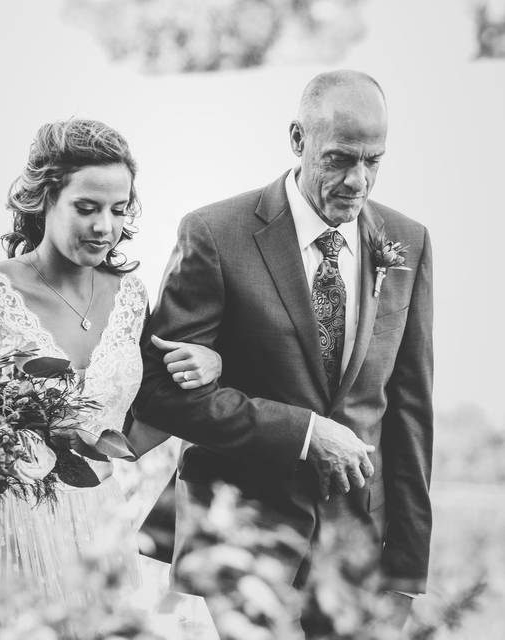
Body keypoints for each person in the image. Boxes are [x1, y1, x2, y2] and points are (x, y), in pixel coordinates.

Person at [134, 69, 434, 636]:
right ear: (298, 139)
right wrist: (302, 432)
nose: (358, 180)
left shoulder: (408, 241)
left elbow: (412, 411)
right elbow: (161, 395)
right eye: (340, 158)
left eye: (374, 160)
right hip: (238, 535)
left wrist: (407, 567)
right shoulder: (214, 234)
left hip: (358, 547)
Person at [0, 118, 221, 634]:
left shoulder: (132, 299)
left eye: (118, 209)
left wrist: (209, 368)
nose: (104, 227)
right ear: (43, 199)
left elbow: (143, 419)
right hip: (2, 536)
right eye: (86, 208)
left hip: (102, 532)